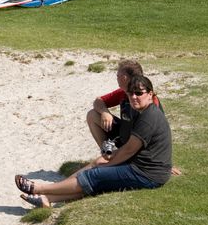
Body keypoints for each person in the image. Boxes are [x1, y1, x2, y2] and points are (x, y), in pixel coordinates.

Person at [17, 75, 172, 208]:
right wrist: (108, 159)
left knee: (95, 175)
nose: (134, 97)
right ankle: (47, 199)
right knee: (98, 170)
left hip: (146, 174)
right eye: (130, 93)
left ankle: (39, 188)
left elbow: (129, 150)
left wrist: (109, 164)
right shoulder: (144, 112)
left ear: (150, 94)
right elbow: (131, 149)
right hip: (144, 168)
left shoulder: (149, 117)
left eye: (139, 93)